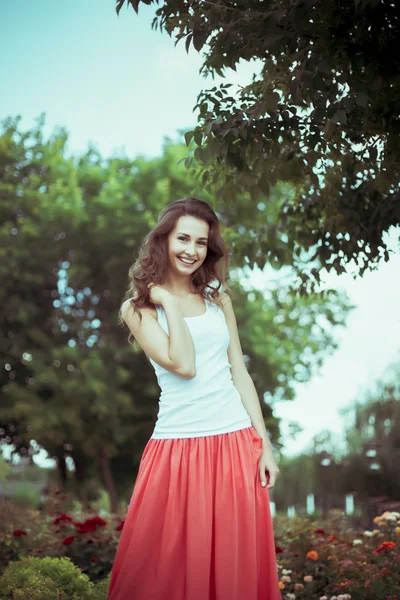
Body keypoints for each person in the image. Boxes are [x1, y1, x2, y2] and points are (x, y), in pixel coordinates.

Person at [107, 197, 282, 600]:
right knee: (162, 569)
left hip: (235, 441)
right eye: (183, 238)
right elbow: (183, 364)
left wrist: (264, 444)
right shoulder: (139, 309)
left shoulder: (218, 297)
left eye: (201, 242)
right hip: (176, 448)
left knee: (233, 568)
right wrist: (168, 300)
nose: (191, 250)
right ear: (163, 240)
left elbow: (238, 370)